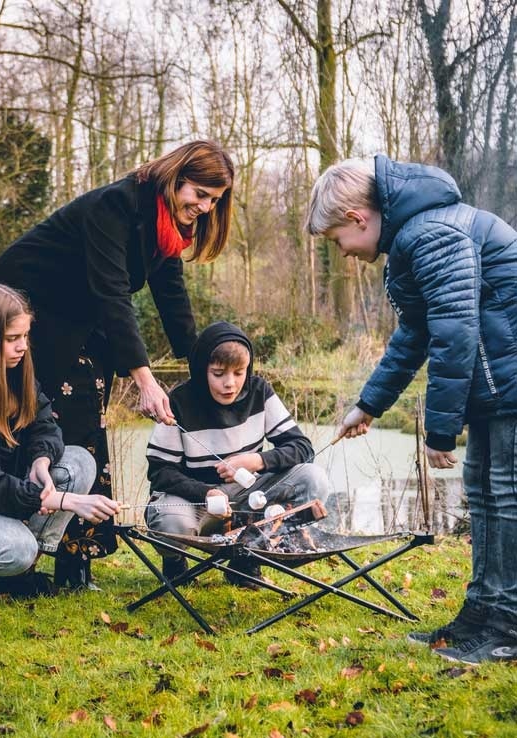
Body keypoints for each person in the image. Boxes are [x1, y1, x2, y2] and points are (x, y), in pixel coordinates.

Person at [0, 140, 234, 588]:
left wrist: (201, 368)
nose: (204, 207)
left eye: (213, 200)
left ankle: (75, 561)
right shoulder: (116, 206)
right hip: (27, 312)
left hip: (81, 320)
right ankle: (15, 562)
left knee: (88, 430)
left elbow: (171, 295)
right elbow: (112, 293)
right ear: (175, 178)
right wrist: (145, 380)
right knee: (33, 430)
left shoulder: (165, 226)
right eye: (199, 194)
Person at [305, 154, 517, 664]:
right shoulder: (417, 234)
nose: (344, 252)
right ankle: (481, 612)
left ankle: (507, 625)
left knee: (505, 496)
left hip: (508, 381)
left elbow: (454, 333)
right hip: (497, 383)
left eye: (337, 240)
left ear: (357, 218)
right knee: (484, 494)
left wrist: (440, 431)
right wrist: (368, 404)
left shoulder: (430, 234)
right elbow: (415, 334)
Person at [0, 284, 121, 605]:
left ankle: (20, 575)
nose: (22, 347)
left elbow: (44, 424)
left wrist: (40, 461)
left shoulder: (16, 371)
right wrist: (63, 500)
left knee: (79, 462)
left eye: (26, 336)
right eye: (11, 339)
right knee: (15, 550)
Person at [145, 321, 330, 588]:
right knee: (171, 524)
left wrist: (257, 461)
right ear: (202, 370)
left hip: (248, 498)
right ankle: (175, 562)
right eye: (218, 374)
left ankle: (246, 560)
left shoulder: (259, 392)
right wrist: (205, 492)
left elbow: (302, 447)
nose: (230, 383)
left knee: (314, 478)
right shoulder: (179, 401)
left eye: (239, 373)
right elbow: (160, 471)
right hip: (194, 500)